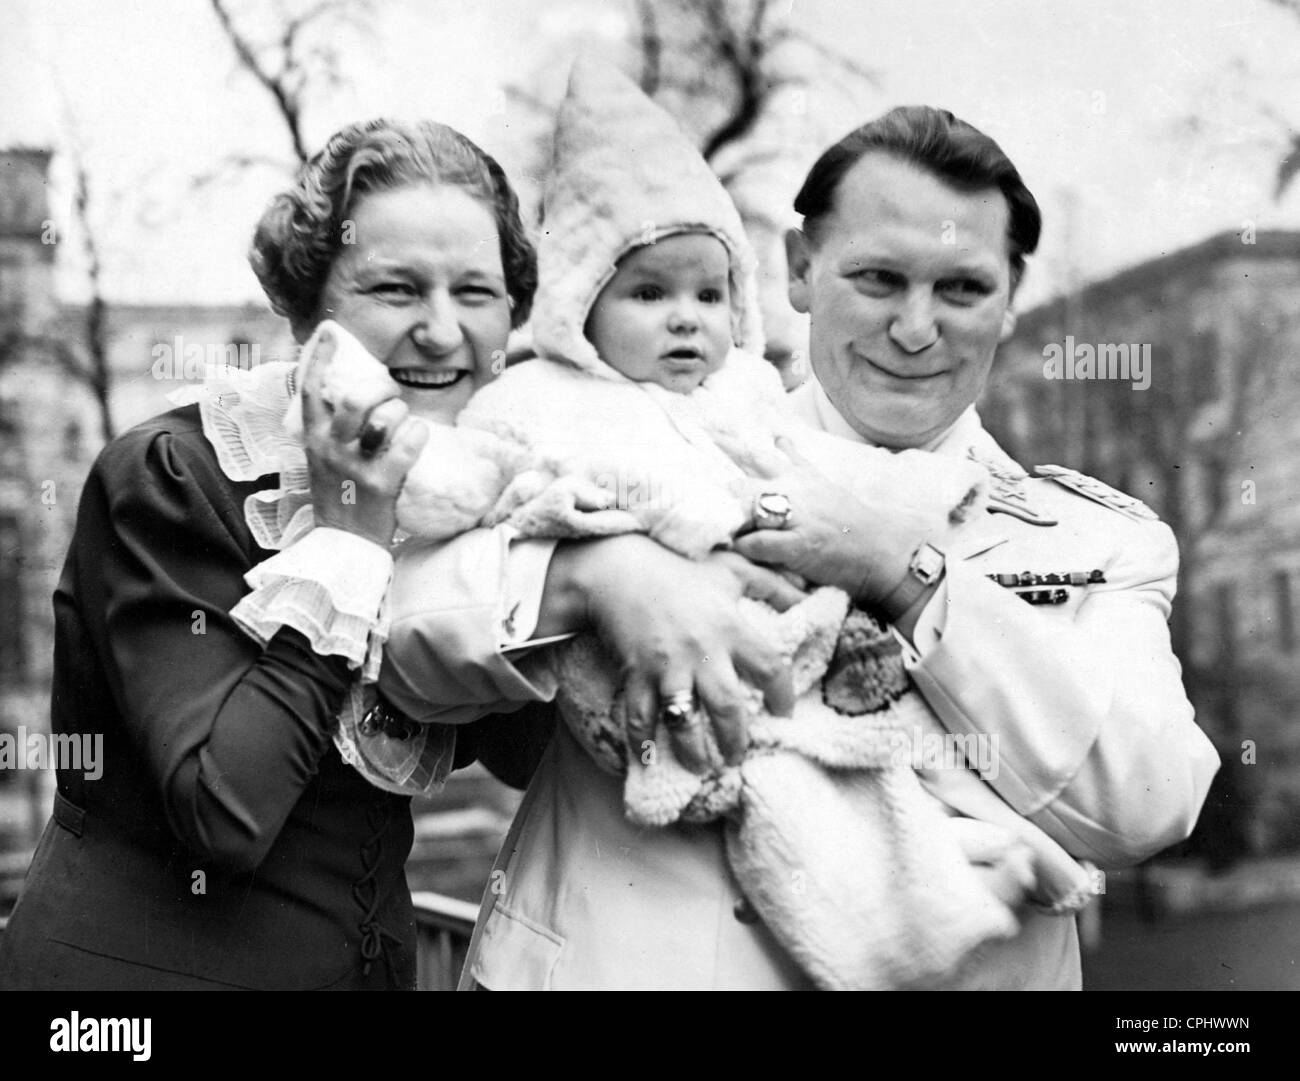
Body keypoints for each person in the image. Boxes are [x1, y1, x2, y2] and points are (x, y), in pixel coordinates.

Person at [379, 102, 1221, 991]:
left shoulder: (1098, 537)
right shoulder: (651, 435)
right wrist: (598, 577)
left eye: (963, 288)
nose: (915, 328)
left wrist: (908, 575)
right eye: (879, 278)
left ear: (1012, 296)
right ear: (800, 268)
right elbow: (402, 644)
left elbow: (1147, 804)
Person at [0, 116, 540, 990]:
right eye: (398, 289)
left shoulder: (468, 488)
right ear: (306, 309)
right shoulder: (175, 476)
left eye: (475, 292)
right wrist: (348, 538)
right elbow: (222, 810)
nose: (443, 331)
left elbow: (522, 751)